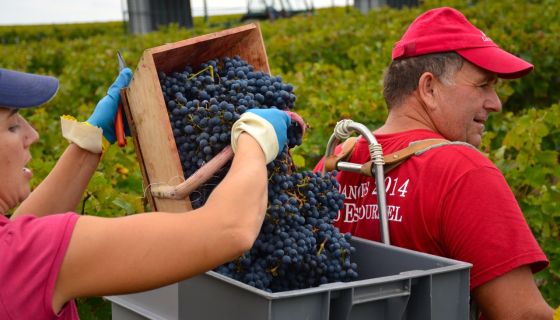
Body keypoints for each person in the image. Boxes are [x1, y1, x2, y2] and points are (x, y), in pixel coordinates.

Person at [314, 7, 553, 320]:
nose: (495, 103)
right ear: (429, 88)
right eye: (483, 85)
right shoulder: (463, 172)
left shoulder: (335, 161)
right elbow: (523, 315)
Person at [0, 66, 291, 319]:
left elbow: (21, 241)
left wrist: (89, 143)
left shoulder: (14, 255)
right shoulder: (23, 255)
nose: (32, 134)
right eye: (12, 125)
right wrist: (255, 139)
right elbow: (230, 229)